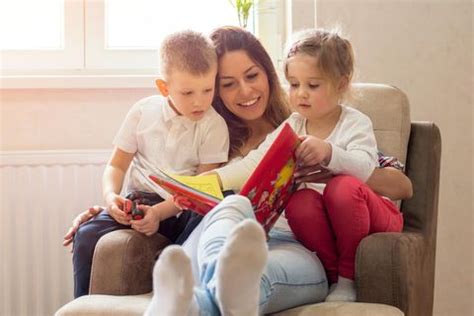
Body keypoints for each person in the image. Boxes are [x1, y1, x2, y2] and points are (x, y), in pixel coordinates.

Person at [146, 27, 412, 315]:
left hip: (297, 244)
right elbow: (250, 166)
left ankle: (197, 299)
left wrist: (332, 162)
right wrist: (192, 186)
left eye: (251, 76)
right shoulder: (210, 141)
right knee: (233, 206)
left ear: (268, 75)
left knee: (254, 273)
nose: (245, 91)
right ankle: (208, 286)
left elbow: (396, 182)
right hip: (236, 236)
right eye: (228, 84)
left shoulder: (317, 123)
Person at [66, 30, 229, 298]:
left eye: (207, 89)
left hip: (181, 208)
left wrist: (160, 214)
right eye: (187, 92)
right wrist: (111, 198)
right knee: (85, 234)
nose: (199, 101)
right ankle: (83, 305)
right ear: (164, 87)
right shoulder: (143, 112)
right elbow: (116, 165)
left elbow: (202, 188)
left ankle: (179, 283)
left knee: (206, 211)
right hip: (138, 202)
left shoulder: (213, 126)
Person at [281, 29, 408, 302]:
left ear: (341, 84)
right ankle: (332, 276)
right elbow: (261, 157)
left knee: (342, 187)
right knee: (300, 202)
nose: (301, 93)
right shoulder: (292, 125)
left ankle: (348, 277)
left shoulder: (355, 122)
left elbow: (365, 166)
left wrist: (329, 152)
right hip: (327, 222)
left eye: (313, 85)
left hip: (374, 214)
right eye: (293, 84)